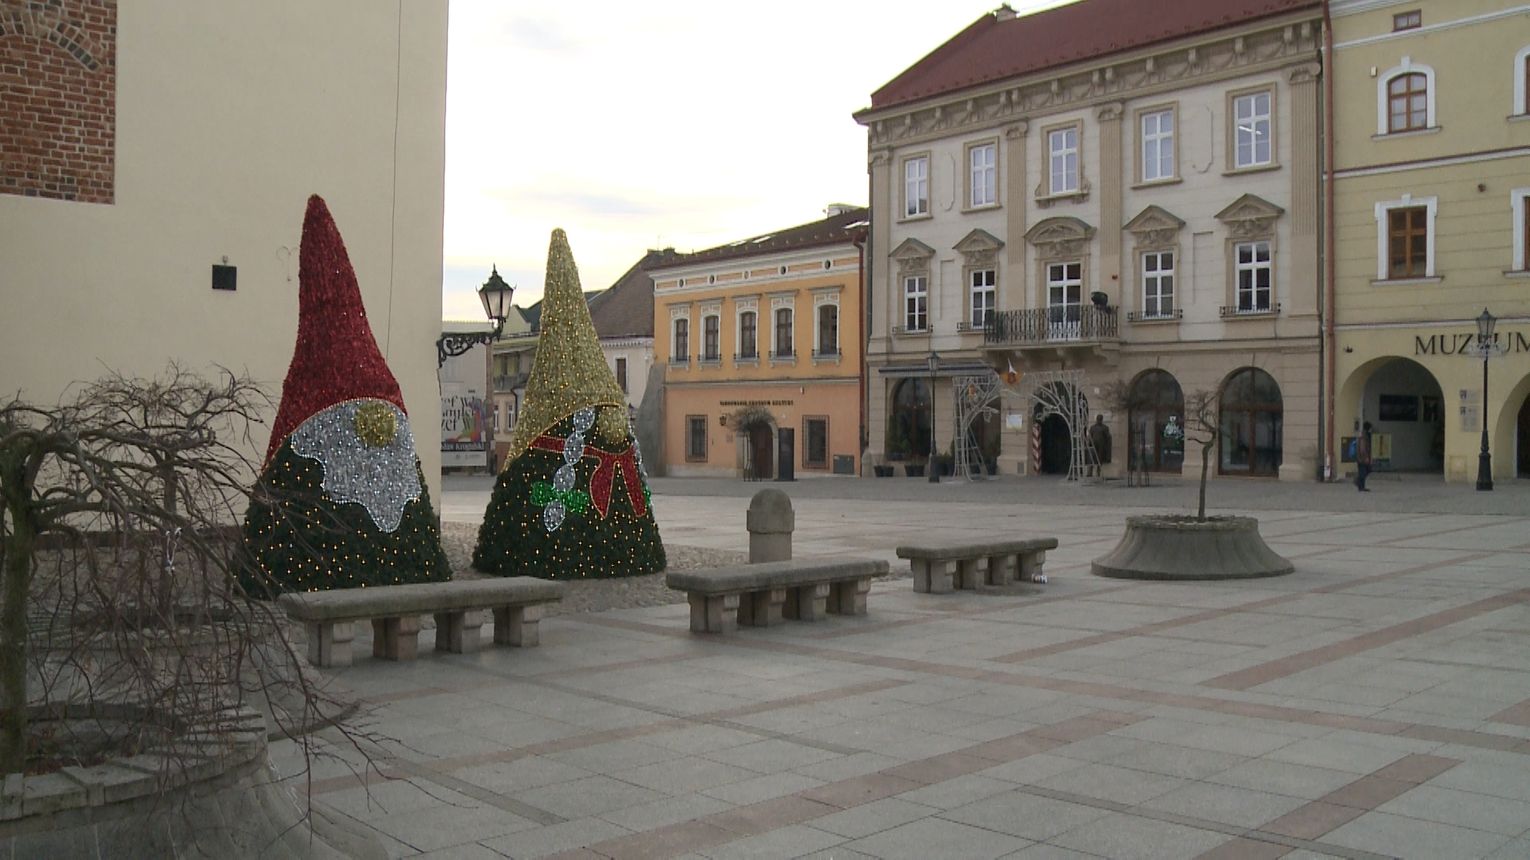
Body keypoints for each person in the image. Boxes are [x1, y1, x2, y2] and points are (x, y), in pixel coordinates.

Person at [1355, 422, 1373, 492]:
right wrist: (1366, 457)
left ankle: (1361, 486)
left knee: (1363, 471)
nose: (1371, 430)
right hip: (1362, 458)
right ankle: (1359, 483)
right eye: (1370, 428)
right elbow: (1362, 448)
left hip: (1360, 457)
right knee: (1364, 472)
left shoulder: (1363, 435)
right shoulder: (1364, 436)